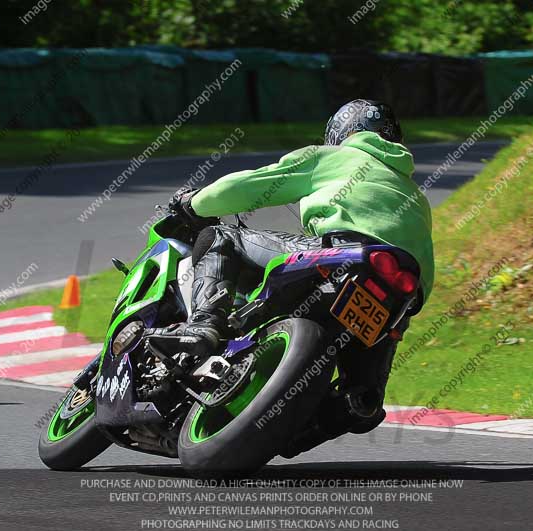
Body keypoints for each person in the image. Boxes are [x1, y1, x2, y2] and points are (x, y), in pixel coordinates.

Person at [145, 99, 434, 444]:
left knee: (221, 237)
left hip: (339, 254)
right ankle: (332, 413)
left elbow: (252, 185)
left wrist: (193, 202)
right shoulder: (415, 195)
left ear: (342, 131)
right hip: (398, 293)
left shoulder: (335, 157)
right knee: (362, 400)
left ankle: (204, 326)